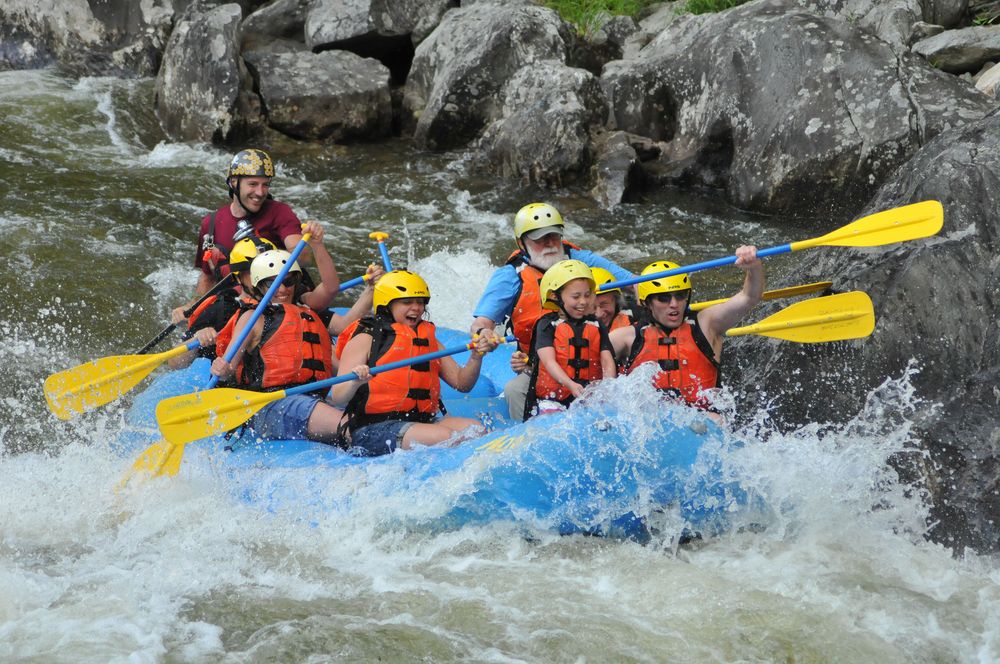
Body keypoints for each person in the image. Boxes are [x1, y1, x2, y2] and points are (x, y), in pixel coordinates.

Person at [469, 202, 633, 419]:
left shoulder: (581, 259)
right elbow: (482, 322)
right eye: (539, 238)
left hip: (591, 357)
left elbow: (635, 283)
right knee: (514, 390)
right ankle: (526, 434)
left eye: (553, 236)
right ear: (521, 242)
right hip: (536, 365)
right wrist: (484, 334)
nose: (549, 244)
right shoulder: (510, 276)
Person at [331, 270, 497, 456]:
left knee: (477, 430)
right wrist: (355, 381)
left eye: (420, 302)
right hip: (371, 428)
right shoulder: (366, 338)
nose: (416, 308)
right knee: (444, 436)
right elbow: (338, 396)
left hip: (421, 421)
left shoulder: (427, 339)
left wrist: (476, 356)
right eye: (407, 302)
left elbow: (462, 383)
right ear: (387, 304)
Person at [209, 249, 345, 443]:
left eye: (288, 281)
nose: (282, 289)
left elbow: (336, 367)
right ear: (259, 287)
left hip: (311, 399)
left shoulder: (307, 316)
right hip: (270, 403)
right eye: (271, 283)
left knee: (363, 418)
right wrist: (221, 369)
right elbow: (229, 367)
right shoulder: (252, 318)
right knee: (349, 426)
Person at [609, 246, 764, 411]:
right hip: (652, 425)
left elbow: (749, 297)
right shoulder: (627, 337)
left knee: (715, 419)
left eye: (681, 295)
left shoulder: (706, 324)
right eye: (663, 298)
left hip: (705, 425)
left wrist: (753, 266)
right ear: (647, 303)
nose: (674, 304)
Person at [170, 148, 306, 323]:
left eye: (265, 184)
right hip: (234, 308)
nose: (260, 192)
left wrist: (304, 247)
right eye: (253, 184)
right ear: (234, 182)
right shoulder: (210, 224)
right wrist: (192, 305)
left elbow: (301, 255)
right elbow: (208, 276)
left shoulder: (279, 212)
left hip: (278, 304)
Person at [523, 260, 617, 419]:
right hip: (552, 400)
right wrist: (569, 384)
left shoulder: (595, 324)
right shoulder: (547, 325)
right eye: (576, 296)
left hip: (587, 399)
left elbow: (607, 360)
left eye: (587, 295)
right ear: (555, 296)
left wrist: (608, 389)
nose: (583, 302)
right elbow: (548, 362)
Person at [590, 267, 633, 332]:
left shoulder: (637, 316)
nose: (599, 314)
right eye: (592, 307)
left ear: (616, 301)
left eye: (604, 304)